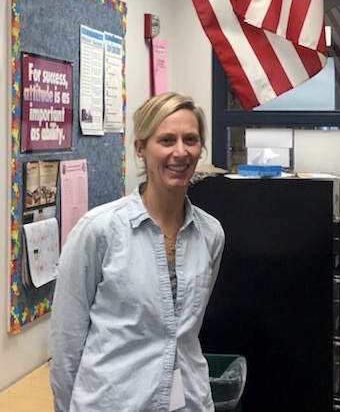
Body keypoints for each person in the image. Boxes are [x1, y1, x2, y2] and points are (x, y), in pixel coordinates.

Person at [49, 92, 225, 411]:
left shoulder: (210, 234)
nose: (180, 152)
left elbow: (185, 334)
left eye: (191, 139)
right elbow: (66, 346)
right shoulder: (98, 230)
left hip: (187, 401)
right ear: (141, 149)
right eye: (166, 140)